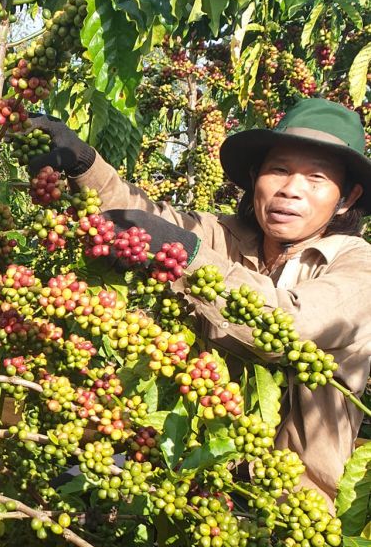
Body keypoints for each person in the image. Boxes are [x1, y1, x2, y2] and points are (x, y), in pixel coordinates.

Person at [27, 97, 371, 501]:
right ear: (255, 176)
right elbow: (141, 216)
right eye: (278, 170)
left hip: (289, 501)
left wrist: (187, 254)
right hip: (190, 468)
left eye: (316, 179)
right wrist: (83, 164)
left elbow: (285, 328)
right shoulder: (225, 237)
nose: (291, 190)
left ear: (346, 198)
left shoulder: (358, 267)